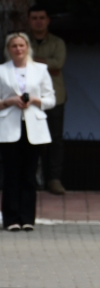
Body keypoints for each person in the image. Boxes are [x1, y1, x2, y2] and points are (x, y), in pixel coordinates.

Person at [0, 33, 55, 231]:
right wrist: (9, 101)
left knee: (29, 174)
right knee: (11, 173)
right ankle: (11, 219)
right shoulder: (2, 70)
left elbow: (51, 100)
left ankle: (27, 218)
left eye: (21, 45)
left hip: (33, 126)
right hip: (9, 125)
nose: (18, 49)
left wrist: (34, 100)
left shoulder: (40, 69)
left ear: (27, 47)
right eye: (14, 46)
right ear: (8, 49)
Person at [28, 6, 68, 195]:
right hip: (28, 98)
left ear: (48, 20)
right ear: (29, 21)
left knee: (55, 139)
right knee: (29, 139)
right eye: (34, 18)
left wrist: (31, 61)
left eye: (42, 18)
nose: (38, 21)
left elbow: (58, 63)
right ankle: (30, 178)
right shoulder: (22, 42)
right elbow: (14, 61)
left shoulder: (57, 42)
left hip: (54, 97)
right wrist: (46, 63)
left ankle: (54, 179)